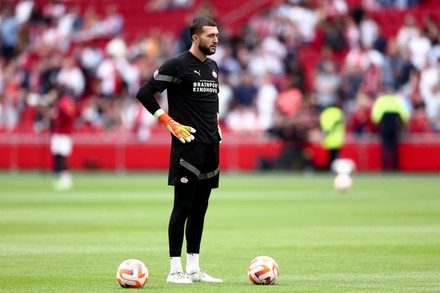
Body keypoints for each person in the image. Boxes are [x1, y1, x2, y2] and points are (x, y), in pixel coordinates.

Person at [135, 17, 222, 284]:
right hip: (188, 147)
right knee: (182, 206)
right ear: (195, 38)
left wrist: (216, 124)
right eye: (210, 35)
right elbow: (144, 92)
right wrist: (168, 122)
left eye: (217, 35)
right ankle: (175, 270)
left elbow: (209, 103)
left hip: (211, 146)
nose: (215, 39)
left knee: (200, 208)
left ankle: (194, 268)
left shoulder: (214, 67)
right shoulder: (177, 64)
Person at [371, 88, 410, 171]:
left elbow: (375, 117)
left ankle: (385, 167)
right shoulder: (398, 101)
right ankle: (395, 167)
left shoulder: (381, 101)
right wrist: (402, 125)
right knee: (394, 148)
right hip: (395, 127)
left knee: (385, 147)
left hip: (384, 126)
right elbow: (405, 116)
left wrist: (379, 124)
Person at [49, 86, 76, 190]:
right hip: (62, 132)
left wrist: (58, 119)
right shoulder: (63, 101)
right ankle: (63, 177)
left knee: (62, 156)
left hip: (63, 133)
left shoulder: (64, 102)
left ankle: (66, 178)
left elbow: (68, 113)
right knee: (59, 156)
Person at [319, 105, 346, 171]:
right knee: (335, 156)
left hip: (328, 138)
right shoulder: (338, 112)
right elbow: (343, 123)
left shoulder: (325, 113)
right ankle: (333, 169)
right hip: (337, 138)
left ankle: (329, 169)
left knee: (330, 156)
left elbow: (323, 125)